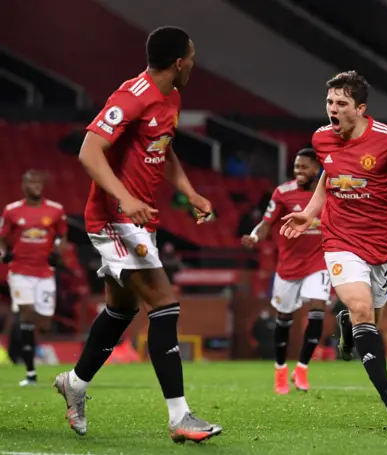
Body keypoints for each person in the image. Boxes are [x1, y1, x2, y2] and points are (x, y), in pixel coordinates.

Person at [52, 26, 221, 443]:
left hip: (139, 219)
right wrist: (125, 198)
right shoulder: (132, 95)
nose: (195, 64)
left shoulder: (172, 98)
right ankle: (180, 417)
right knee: (164, 303)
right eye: (193, 57)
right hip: (113, 217)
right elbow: (89, 150)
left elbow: (164, 148)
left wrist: (190, 192)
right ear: (179, 61)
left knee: (121, 310)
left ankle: (74, 383)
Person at [280, 71, 387, 416]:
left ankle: (348, 331)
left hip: (381, 243)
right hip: (339, 239)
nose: (332, 109)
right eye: (329, 102)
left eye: (341, 103)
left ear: (360, 108)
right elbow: (327, 177)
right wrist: (309, 212)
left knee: (370, 317)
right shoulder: (321, 139)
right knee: (363, 309)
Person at [241, 148, 330, 394]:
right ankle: (280, 370)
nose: (299, 171)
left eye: (304, 167)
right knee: (284, 318)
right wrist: (254, 237)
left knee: (318, 307)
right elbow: (266, 223)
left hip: (318, 262)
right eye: (296, 167)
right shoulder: (283, 193)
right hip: (289, 266)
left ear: (317, 169)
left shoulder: (328, 193)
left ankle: (302, 369)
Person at [0, 170, 67, 386]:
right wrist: (4, 254)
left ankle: (34, 349)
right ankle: (30, 373)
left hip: (45, 273)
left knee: (44, 325)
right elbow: (2, 239)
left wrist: (59, 251)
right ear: (24, 185)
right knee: (26, 313)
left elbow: (62, 236)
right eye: (32, 182)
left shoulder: (55, 211)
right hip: (20, 271)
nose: (36, 185)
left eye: (39, 182)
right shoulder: (12, 211)